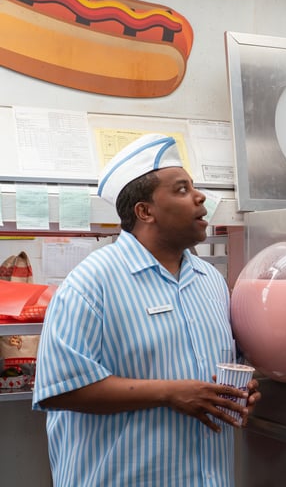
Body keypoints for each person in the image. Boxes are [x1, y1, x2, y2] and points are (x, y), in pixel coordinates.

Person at [32, 134, 261, 486]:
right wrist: (170, 393)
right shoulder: (92, 283)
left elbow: (221, 370)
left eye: (194, 188)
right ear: (145, 211)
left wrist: (238, 394)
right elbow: (59, 388)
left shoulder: (211, 282)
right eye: (182, 190)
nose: (200, 197)